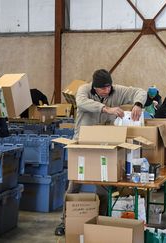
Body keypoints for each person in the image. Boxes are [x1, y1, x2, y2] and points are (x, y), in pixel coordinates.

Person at [55, 69, 147, 236]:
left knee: (103, 185)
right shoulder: (84, 90)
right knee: (74, 184)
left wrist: (138, 104)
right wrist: (106, 109)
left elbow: (140, 92)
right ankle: (64, 220)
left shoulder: (117, 90)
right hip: (83, 144)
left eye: (109, 87)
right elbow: (82, 102)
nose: (107, 90)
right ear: (95, 88)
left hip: (105, 146)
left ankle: (102, 219)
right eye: (103, 88)